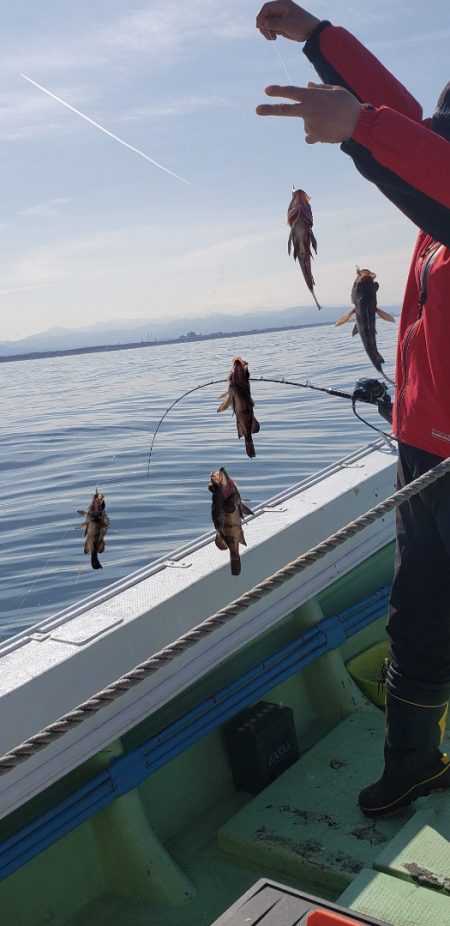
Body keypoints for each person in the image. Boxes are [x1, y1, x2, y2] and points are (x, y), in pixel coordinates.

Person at [255, 0, 450, 818]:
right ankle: (412, 762)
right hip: (423, 452)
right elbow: (407, 125)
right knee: (417, 616)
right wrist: (320, 40)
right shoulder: (435, 196)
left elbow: (401, 139)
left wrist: (362, 128)